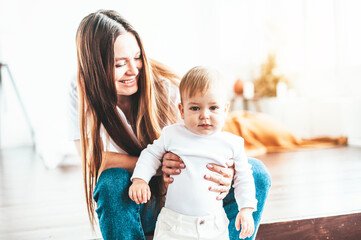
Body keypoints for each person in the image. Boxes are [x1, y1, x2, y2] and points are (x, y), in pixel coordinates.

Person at [72, 9, 271, 240]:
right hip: (141, 199)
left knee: (256, 173)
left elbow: (207, 143)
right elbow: (93, 160)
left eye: (137, 57)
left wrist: (229, 172)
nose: (133, 70)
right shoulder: (80, 91)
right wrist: (156, 166)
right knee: (111, 181)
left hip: (192, 203)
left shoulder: (167, 87)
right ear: (94, 66)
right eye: (119, 64)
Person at [129, 66, 257, 240]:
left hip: (214, 226)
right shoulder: (172, 134)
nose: (204, 115)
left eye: (213, 108)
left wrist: (247, 209)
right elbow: (150, 155)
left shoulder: (232, 143)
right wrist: (140, 179)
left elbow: (244, 178)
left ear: (225, 109)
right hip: (174, 225)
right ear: (181, 110)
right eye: (195, 108)